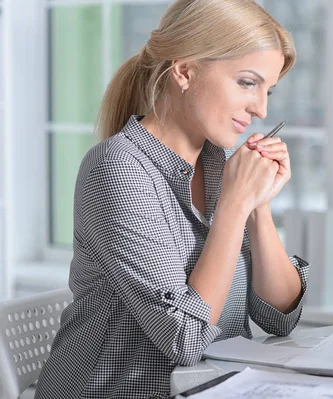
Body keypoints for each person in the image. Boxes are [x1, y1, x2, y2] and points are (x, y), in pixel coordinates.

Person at [34, 0, 309, 397]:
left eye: (268, 90)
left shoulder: (222, 165)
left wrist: (257, 204)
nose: (262, 109)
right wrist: (233, 206)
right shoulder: (117, 169)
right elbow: (186, 339)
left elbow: (278, 318)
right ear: (185, 71)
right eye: (248, 83)